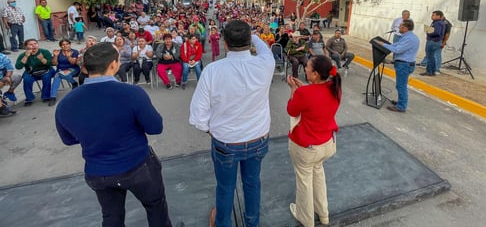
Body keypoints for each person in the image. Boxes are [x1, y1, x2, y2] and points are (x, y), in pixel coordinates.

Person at [54, 42, 172, 227]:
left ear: (85, 66)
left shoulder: (66, 103)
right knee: (155, 206)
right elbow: (155, 127)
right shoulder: (132, 93)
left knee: (111, 217)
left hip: (98, 172)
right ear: (113, 64)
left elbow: (68, 139)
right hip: (138, 167)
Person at [189, 20, 274, 227]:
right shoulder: (266, 62)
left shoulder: (212, 70)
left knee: (225, 188)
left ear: (224, 43)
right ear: (249, 43)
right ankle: (252, 224)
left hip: (226, 143)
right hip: (258, 140)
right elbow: (263, 47)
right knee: (252, 183)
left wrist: (211, 130)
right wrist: (252, 35)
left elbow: (198, 116)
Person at [286, 55, 341, 227]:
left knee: (305, 182)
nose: (305, 69)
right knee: (318, 174)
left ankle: (306, 218)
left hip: (307, 147)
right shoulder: (335, 87)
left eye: (308, 67)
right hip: (326, 144)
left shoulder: (304, 93)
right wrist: (304, 89)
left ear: (316, 74)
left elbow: (292, 110)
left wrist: (294, 90)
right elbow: (317, 97)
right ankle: (323, 214)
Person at [376, 19, 420, 112]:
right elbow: (396, 45)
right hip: (403, 63)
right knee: (400, 85)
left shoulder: (409, 38)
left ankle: (401, 106)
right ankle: (401, 102)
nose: (398, 28)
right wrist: (386, 44)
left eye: (400, 26)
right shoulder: (406, 36)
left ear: (405, 28)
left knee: (401, 86)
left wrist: (382, 44)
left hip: (404, 65)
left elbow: (397, 50)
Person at [15, 39, 54, 106]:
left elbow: (51, 64)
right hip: (31, 72)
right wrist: (26, 56)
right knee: (27, 79)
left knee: (46, 77)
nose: (33, 46)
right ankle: (29, 98)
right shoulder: (23, 55)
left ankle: (46, 96)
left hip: (46, 70)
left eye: (35, 44)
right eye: (31, 44)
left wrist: (42, 59)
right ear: (26, 47)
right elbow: (18, 67)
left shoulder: (44, 52)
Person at [49, 39, 80, 106]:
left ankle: (73, 83)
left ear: (70, 44)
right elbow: (54, 63)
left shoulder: (74, 52)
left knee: (58, 75)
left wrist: (68, 56)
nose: (65, 46)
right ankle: (53, 97)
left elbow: (73, 63)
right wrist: (55, 56)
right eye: (63, 45)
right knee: (57, 77)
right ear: (61, 46)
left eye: (67, 44)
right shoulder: (58, 52)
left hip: (72, 69)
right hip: (60, 70)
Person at [420, 10, 445, 77]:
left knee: (429, 57)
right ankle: (431, 71)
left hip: (433, 41)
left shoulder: (438, 23)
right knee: (431, 57)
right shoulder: (437, 22)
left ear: (438, 16)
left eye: (434, 15)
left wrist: (428, 32)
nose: (432, 16)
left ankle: (429, 71)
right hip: (434, 41)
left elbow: (437, 32)